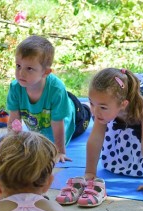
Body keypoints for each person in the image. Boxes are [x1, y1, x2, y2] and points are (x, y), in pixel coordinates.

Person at [55, 68, 143, 206]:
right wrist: (90, 172)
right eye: (92, 104)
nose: (94, 111)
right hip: (125, 103)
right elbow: (95, 140)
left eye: (102, 107)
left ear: (123, 104)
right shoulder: (105, 108)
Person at [7, 35, 91, 163]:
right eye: (18, 66)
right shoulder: (15, 88)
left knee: (84, 114)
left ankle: (88, 107)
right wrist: (11, 146)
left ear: (46, 72)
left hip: (75, 117)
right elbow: (14, 119)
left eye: (29, 68)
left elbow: (58, 123)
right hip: (45, 119)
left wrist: (60, 151)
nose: (21, 73)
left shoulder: (56, 89)